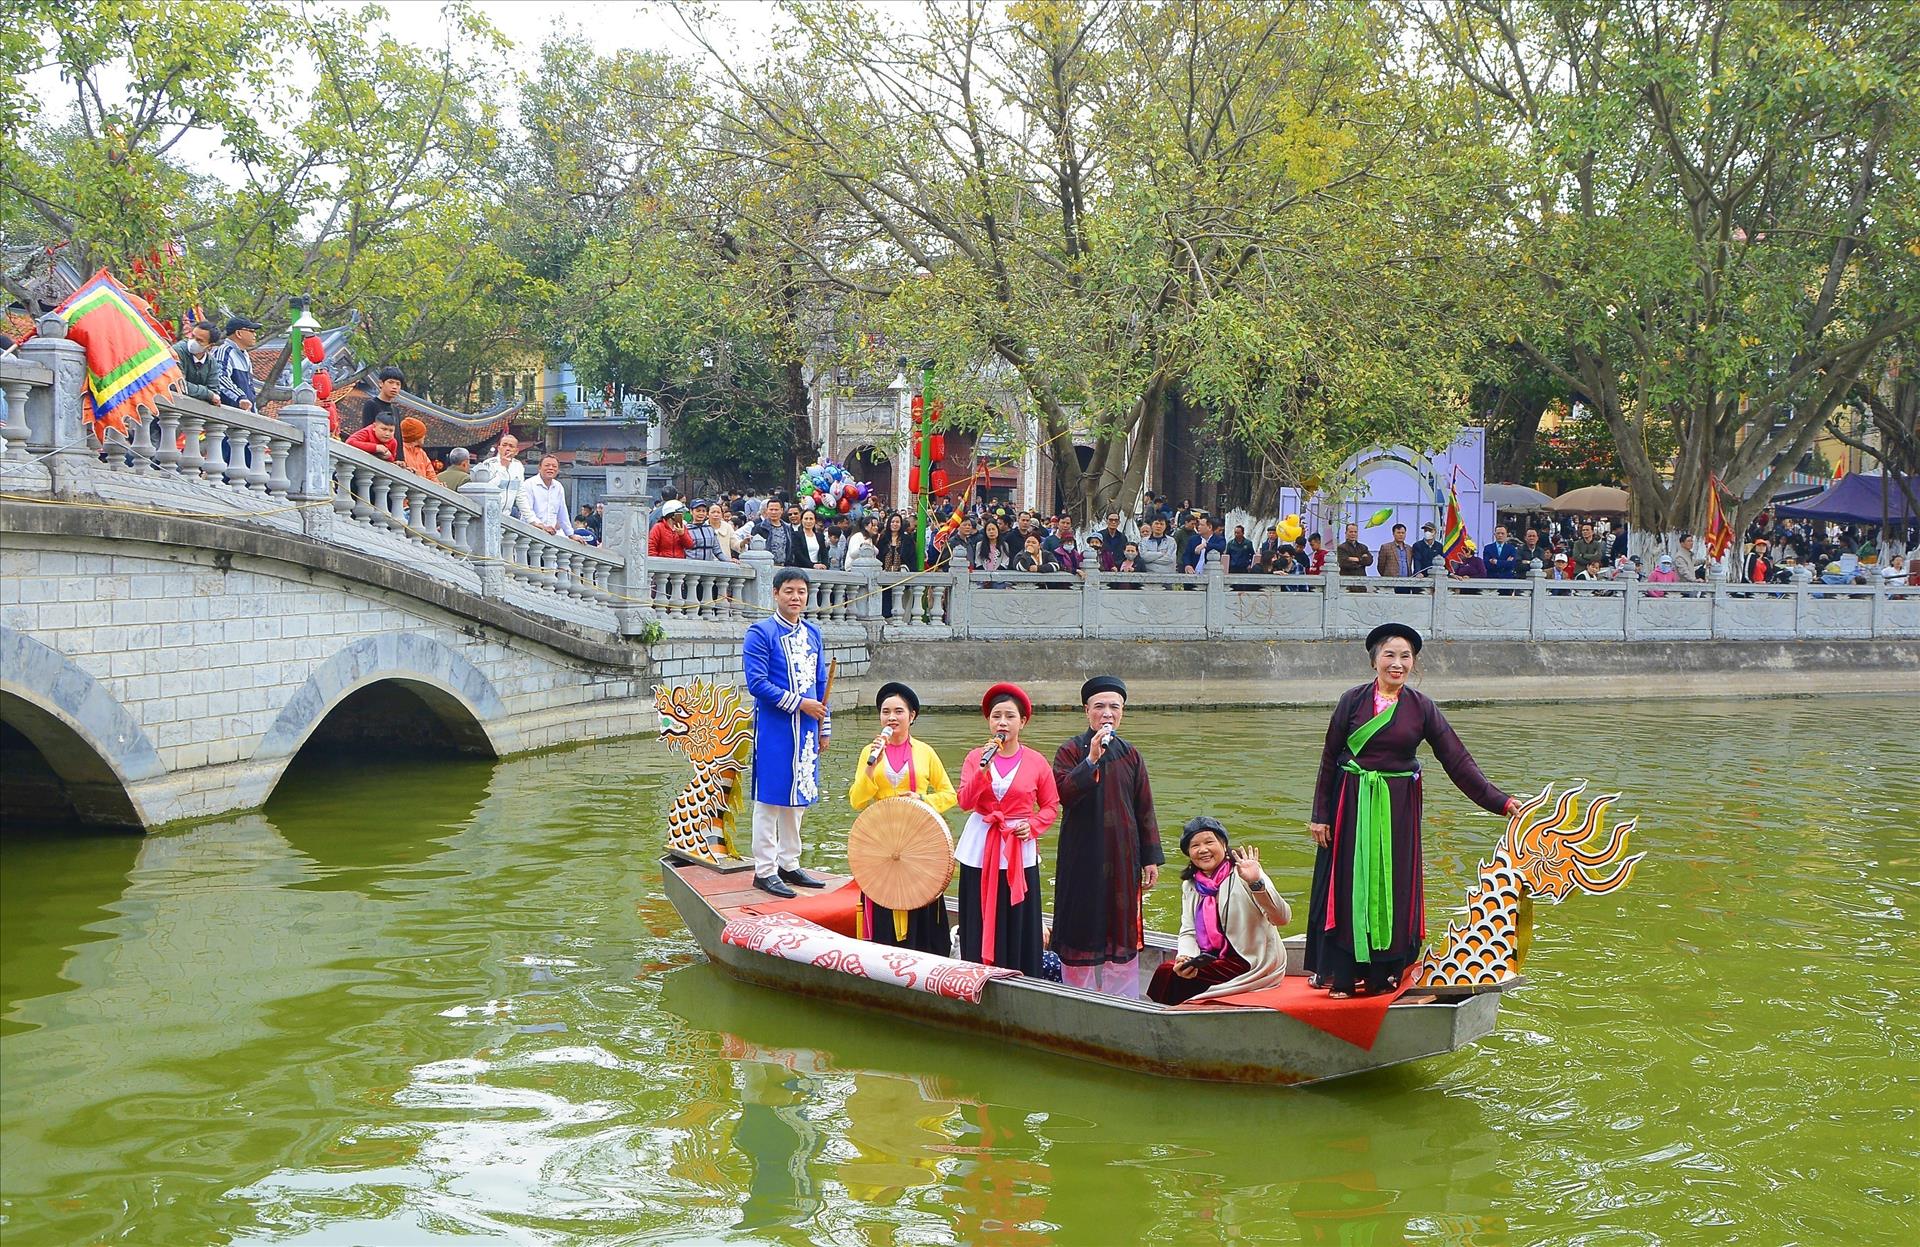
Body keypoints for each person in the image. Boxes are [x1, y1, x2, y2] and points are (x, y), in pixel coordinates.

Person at [1306, 623, 1519, 998]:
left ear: (1414, 663)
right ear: (1374, 661)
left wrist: (1499, 802)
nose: (1397, 663)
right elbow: (1329, 758)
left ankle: (1383, 974)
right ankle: (1343, 974)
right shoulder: (1351, 701)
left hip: (1398, 808)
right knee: (1349, 883)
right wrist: (1320, 815)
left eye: (1406, 656)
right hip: (1351, 803)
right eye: (1389, 655)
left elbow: (1457, 761)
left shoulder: (1422, 707)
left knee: (1394, 884)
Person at [1050, 675, 1162, 998]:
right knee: (1080, 926)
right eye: (1100, 706)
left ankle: (1122, 998)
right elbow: (1064, 793)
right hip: (1082, 857)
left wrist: (1151, 858)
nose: (1107, 713)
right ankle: (1076, 995)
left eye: (1114, 706)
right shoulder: (1070, 750)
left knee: (1121, 929)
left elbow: (1145, 809)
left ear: (1123, 712)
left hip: (1123, 857)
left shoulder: (1132, 755)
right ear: (1087, 711)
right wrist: (1092, 760)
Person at [955, 683, 1060, 976]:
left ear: (1022, 722)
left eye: (1010, 716)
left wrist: (1034, 825)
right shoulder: (976, 757)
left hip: (1018, 844)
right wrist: (981, 773)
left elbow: (1051, 805)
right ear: (989, 721)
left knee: (1019, 915)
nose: (1002, 722)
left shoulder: (1037, 761)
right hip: (981, 842)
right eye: (996, 716)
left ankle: (1021, 971)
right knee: (978, 909)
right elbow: (964, 801)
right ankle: (977, 968)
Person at [847, 681, 957, 956]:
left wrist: (923, 799)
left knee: (920, 894)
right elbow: (857, 800)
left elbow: (949, 794)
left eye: (899, 711)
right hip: (882, 839)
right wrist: (872, 769)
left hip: (918, 837)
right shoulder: (869, 753)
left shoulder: (925, 752)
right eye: (886, 712)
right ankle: (884, 956)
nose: (891, 717)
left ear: (912, 716)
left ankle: (926, 953)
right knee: (883, 894)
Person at [743, 568, 832, 898]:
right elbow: (757, 684)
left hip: (807, 728)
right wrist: (799, 704)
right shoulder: (760, 633)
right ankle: (764, 870)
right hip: (775, 728)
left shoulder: (812, 634)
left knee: (798, 800)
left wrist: (824, 726)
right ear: (776, 593)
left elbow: (821, 683)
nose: (796, 597)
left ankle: (789, 863)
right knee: (769, 800)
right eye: (790, 591)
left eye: (802, 592)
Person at [1147, 817, 1291, 1007]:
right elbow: (1188, 930)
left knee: (1167, 975)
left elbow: (1282, 918)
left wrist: (1256, 884)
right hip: (1211, 958)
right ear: (1189, 853)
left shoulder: (1246, 873)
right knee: (1174, 971)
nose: (1203, 850)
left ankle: (1166, 1022)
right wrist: (1186, 957)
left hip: (1251, 960)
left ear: (1223, 844)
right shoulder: (1190, 885)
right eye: (1195, 845)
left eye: (1209, 842)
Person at [213, 315, 260, 410]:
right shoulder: (225, 351)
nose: (254, 335)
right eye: (251, 331)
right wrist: (240, 398)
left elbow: (250, 389)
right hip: (230, 415)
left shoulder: (245, 355)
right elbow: (221, 378)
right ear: (238, 333)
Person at [174, 320, 225, 405]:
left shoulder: (212, 363)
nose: (193, 342)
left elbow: (214, 392)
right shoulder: (177, 351)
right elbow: (177, 384)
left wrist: (210, 395)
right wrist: (207, 394)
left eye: (199, 340)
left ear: (210, 346)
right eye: (192, 336)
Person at [522, 455, 571, 536]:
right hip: (530, 532)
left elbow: (562, 513)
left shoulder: (558, 487)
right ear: (539, 468)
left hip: (550, 534)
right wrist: (541, 526)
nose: (551, 468)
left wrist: (570, 534)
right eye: (547, 465)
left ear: (558, 470)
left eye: (554, 466)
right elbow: (527, 511)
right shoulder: (529, 484)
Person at [752, 498, 801, 567]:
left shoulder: (788, 528)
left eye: (776, 510)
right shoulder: (759, 528)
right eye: (771, 510)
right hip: (766, 566)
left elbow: (791, 548)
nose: (773, 512)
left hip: (784, 566)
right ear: (767, 511)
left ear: (781, 510)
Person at [488, 434, 526, 518]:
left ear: (516, 451)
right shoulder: (489, 464)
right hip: (489, 514)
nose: (507, 448)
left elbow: (520, 495)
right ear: (499, 448)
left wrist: (532, 520)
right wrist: (503, 468)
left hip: (507, 517)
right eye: (504, 445)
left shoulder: (518, 466)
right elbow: (488, 488)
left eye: (511, 446)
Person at [397, 416, 437, 481]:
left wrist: (438, 484)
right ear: (416, 436)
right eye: (422, 434)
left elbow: (431, 475)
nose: (424, 436)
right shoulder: (399, 450)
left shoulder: (422, 453)